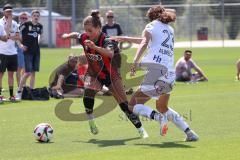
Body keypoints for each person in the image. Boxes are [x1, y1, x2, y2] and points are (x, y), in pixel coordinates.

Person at [112, 5, 199, 141]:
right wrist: (126, 38)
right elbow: (148, 40)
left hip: (155, 71)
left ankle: (159, 118)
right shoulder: (169, 29)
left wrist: (135, 60)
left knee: (132, 105)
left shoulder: (151, 26)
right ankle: (190, 133)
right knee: (162, 106)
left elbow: (145, 41)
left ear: (151, 17)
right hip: (169, 74)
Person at [62, 11, 148, 138]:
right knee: (88, 92)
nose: (87, 34)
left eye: (90, 30)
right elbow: (76, 35)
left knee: (124, 105)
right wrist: (66, 36)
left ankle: (141, 129)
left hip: (111, 75)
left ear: (98, 28)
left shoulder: (106, 40)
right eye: (86, 30)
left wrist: (95, 47)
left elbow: (110, 53)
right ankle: (91, 120)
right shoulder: (85, 37)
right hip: (94, 73)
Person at [16, 10, 43, 100]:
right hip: (28, 52)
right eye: (34, 15)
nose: (36, 17)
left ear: (39, 17)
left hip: (36, 52)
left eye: (37, 16)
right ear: (31, 16)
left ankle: (31, 92)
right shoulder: (26, 24)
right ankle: (19, 91)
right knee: (27, 72)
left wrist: (39, 40)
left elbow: (39, 36)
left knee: (33, 73)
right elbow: (16, 34)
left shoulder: (40, 26)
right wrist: (20, 45)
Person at [0, 4, 20, 102]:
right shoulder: (0, 23)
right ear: (3, 12)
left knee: (11, 75)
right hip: (2, 52)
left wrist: (10, 37)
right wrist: (9, 34)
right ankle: (0, 95)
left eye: (11, 11)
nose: (9, 13)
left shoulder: (15, 23)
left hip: (13, 52)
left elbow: (18, 37)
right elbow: (5, 36)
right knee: (0, 74)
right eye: (7, 11)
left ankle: (11, 95)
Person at [16, 12, 29, 87]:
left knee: (26, 69)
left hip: (27, 50)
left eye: (25, 18)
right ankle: (19, 86)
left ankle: (23, 84)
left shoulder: (29, 27)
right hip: (19, 50)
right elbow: (17, 38)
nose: (24, 19)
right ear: (19, 18)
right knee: (19, 68)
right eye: (22, 18)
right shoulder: (17, 27)